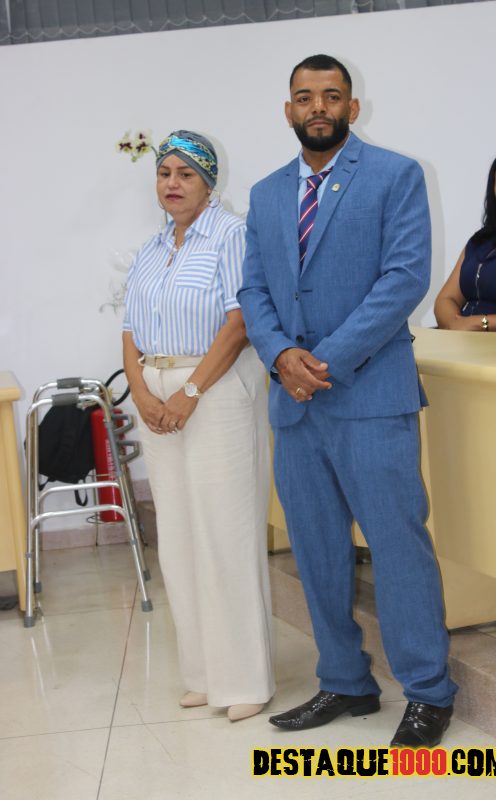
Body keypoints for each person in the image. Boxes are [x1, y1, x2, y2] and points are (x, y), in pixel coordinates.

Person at [238, 55, 457, 747]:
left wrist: (321, 362)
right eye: (305, 97)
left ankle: (428, 691)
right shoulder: (266, 194)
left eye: (331, 95)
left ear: (352, 108)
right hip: (294, 405)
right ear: (288, 111)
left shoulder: (394, 175)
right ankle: (345, 681)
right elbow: (253, 291)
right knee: (316, 551)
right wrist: (281, 356)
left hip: (370, 397)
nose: (318, 107)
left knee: (397, 547)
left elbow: (403, 280)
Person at [122, 130, 274, 722]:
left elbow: (240, 323)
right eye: (164, 173)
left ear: (210, 182)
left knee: (225, 533)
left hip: (214, 392)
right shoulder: (150, 248)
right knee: (179, 536)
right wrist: (141, 392)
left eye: (186, 174)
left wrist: (189, 392)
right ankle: (204, 675)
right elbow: (130, 329)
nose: (173, 183)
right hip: (156, 394)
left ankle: (245, 679)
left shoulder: (232, 235)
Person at [434, 148, 496, 331]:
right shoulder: (479, 241)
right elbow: (446, 299)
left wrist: (480, 323)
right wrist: (455, 325)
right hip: (460, 338)